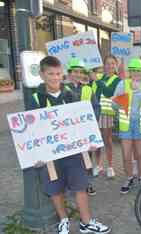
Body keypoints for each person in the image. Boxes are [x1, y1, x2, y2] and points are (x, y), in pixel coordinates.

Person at [30, 56, 110, 234]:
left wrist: (90, 141)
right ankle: (63, 220)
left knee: (80, 186)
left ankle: (86, 222)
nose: (55, 77)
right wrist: (35, 155)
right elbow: (31, 131)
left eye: (58, 73)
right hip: (50, 155)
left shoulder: (70, 95)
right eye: (50, 74)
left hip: (73, 151)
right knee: (55, 189)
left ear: (62, 74)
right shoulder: (35, 98)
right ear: (42, 74)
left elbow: (82, 121)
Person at [113, 58, 141, 194]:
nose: (136, 73)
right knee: (125, 154)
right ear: (130, 72)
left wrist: (138, 91)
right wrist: (117, 102)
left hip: (140, 123)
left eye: (138, 71)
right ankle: (129, 177)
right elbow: (114, 104)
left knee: (140, 154)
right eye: (133, 70)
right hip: (125, 123)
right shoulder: (122, 84)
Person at [66, 57, 100, 196]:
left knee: (87, 158)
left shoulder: (87, 89)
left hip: (85, 131)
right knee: (71, 159)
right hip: (68, 132)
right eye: (75, 71)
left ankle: (87, 183)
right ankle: (71, 184)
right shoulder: (63, 89)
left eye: (81, 72)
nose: (78, 74)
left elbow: (96, 107)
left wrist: (92, 124)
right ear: (69, 73)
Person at [92, 55, 121, 178]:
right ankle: (98, 165)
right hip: (95, 112)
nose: (110, 66)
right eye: (107, 63)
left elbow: (109, 93)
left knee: (107, 140)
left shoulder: (117, 80)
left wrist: (97, 81)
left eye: (112, 63)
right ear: (104, 65)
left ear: (116, 65)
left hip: (107, 113)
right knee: (97, 141)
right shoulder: (98, 77)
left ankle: (110, 166)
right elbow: (93, 93)